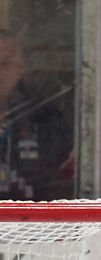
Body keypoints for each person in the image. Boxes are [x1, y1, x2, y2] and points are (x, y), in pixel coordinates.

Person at [0, 31, 73, 200]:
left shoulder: (42, 120)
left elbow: (99, 173)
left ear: (20, 70)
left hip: (33, 224)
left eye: (6, 64)